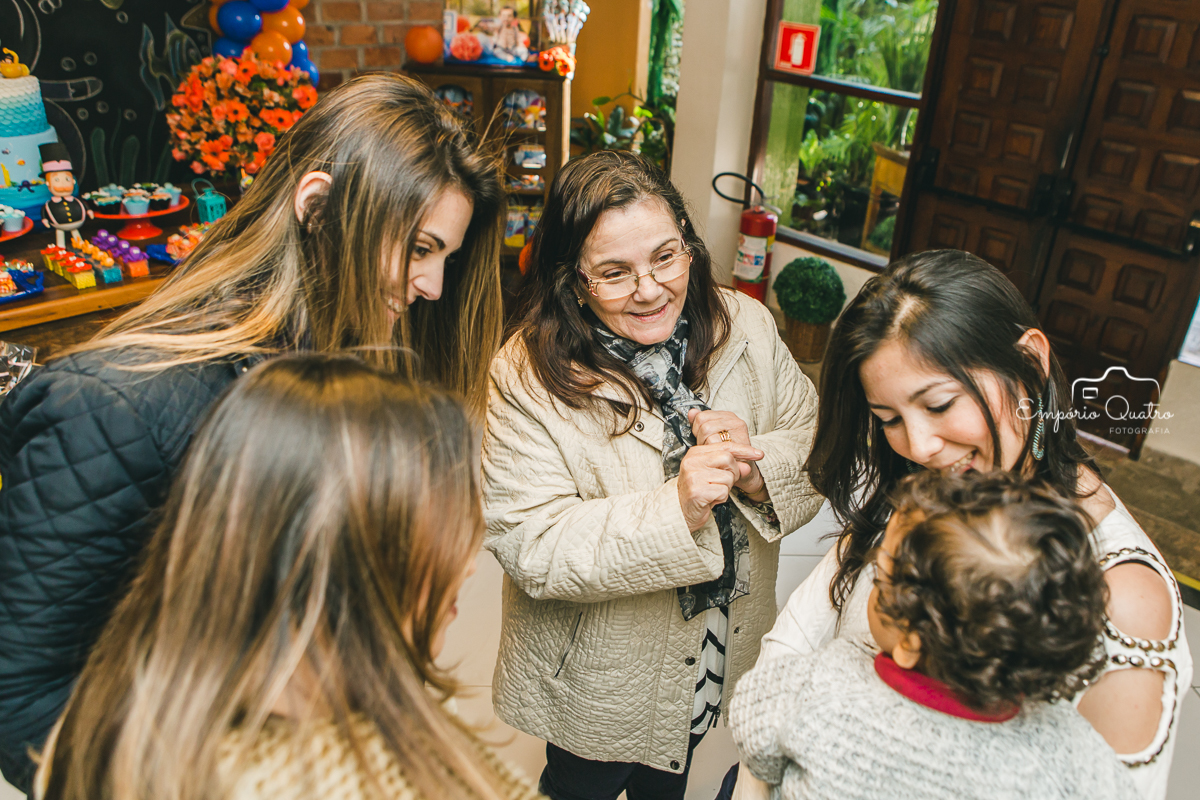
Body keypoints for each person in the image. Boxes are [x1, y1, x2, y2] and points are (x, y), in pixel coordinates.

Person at [0, 72, 505, 791]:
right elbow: (23, 700)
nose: (433, 287)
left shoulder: (333, 380)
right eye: (420, 248)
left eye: (446, 258)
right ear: (318, 208)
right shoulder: (117, 406)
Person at [758, 250, 1191, 800]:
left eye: (939, 404)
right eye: (889, 419)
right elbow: (793, 642)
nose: (918, 446)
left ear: (1030, 362)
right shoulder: (931, 489)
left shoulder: (1120, 589)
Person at [35, 356, 543, 800]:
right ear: (344, 554)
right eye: (446, 527)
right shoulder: (329, 782)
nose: (469, 563)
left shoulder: (129, 717)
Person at [482, 150, 823, 800]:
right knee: (582, 786)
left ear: (690, 246)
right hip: (601, 672)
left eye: (666, 257)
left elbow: (814, 444)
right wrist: (680, 508)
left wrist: (757, 472)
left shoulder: (746, 323)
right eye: (614, 272)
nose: (650, 288)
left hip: (714, 642)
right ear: (572, 280)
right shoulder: (525, 376)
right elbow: (533, 544)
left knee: (671, 776)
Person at [730, 471, 1138, 800]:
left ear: (910, 641)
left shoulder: (827, 682)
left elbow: (753, 726)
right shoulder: (1064, 745)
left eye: (881, 576)